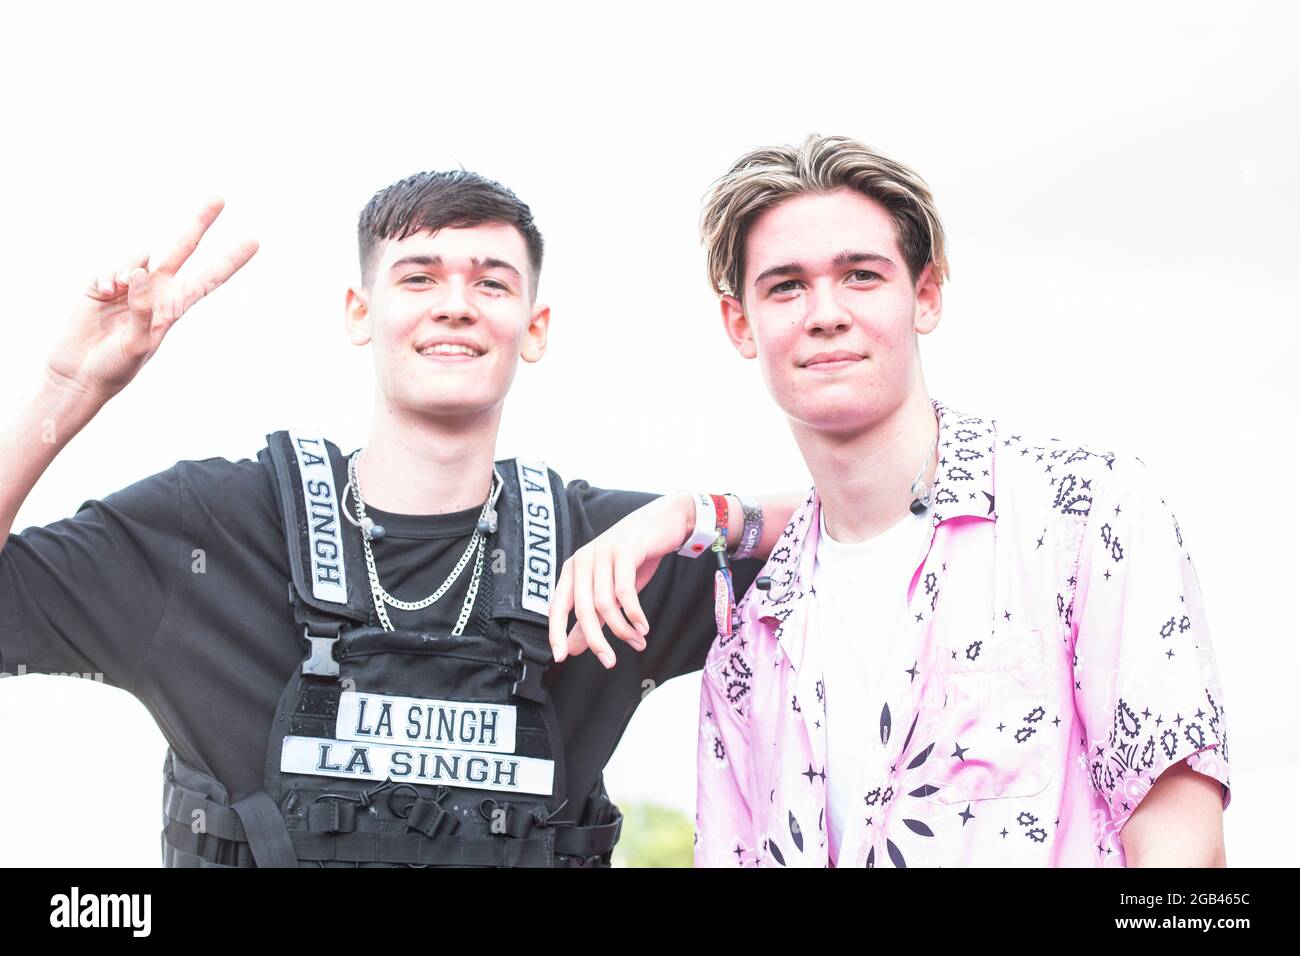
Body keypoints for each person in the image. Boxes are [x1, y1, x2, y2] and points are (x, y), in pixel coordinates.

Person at [0, 170, 798, 867]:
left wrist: (699, 515)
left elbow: (902, 524)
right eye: (418, 277)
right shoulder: (210, 530)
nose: (456, 305)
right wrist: (68, 387)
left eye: (492, 283)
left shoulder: (618, 558)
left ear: (535, 326)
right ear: (359, 311)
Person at [685, 134, 1230, 867]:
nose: (825, 312)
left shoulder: (1084, 515)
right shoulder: (749, 634)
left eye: (862, 276)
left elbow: (1185, 863)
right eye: (786, 285)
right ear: (740, 324)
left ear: (927, 295)